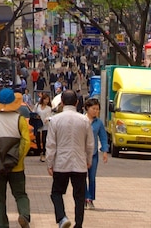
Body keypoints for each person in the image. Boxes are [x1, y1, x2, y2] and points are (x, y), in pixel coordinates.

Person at [0, 88, 33, 228]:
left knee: (0, 198)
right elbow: (26, 142)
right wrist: (17, 158)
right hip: (17, 167)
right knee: (21, 195)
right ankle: (24, 215)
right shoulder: (20, 120)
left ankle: (2, 224)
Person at [47, 90, 92, 228]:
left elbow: (51, 144)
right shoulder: (84, 120)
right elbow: (90, 144)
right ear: (77, 102)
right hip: (79, 163)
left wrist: (49, 162)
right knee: (79, 196)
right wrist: (88, 160)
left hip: (61, 162)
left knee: (56, 192)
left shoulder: (55, 120)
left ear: (62, 102)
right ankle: (78, 224)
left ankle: (62, 217)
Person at [83, 97, 109, 210]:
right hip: (81, 154)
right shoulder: (81, 120)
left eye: (97, 109)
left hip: (93, 154)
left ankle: (91, 199)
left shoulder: (98, 123)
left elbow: (103, 137)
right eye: (93, 108)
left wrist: (104, 151)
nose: (96, 111)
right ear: (87, 108)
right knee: (82, 177)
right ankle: (84, 198)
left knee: (92, 177)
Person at [34, 92, 54, 163]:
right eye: (45, 99)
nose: (46, 101)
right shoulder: (37, 106)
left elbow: (50, 116)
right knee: (38, 140)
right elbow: (34, 113)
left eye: (48, 100)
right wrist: (36, 116)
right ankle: (40, 153)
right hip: (38, 125)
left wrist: (48, 119)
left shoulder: (49, 108)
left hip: (45, 125)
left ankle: (44, 153)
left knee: (44, 140)